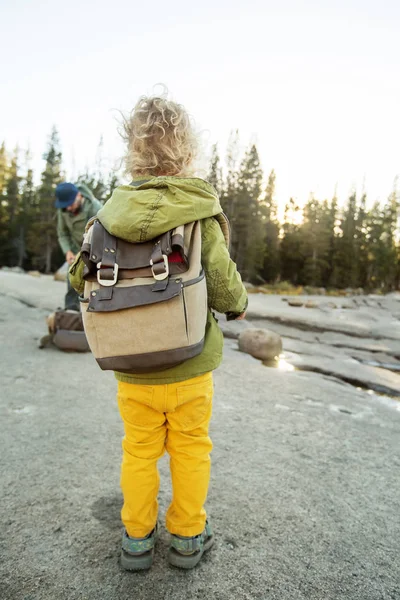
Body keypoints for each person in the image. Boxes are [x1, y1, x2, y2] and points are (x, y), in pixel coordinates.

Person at [69, 93, 247, 570]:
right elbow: (223, 280)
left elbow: (77, 279)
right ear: (187, 151)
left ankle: (137, 539)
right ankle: (188, 537)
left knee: (139, 452)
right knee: (190, 449)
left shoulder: (107, 215)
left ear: (133, 151)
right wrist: (239, 306)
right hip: (189, 363)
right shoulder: (197, 211)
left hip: (132, 370)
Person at [55, 182, 102, 311]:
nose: (68, 208)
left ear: (79, 196)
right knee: (72, 276)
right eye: (65, 206)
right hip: (76, 250)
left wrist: (83, 252)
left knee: (94, 281)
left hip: (96, 249)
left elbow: (101, 234)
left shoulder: (94, 207)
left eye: (71, 204)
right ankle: (71, 311)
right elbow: (62, 233)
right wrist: (68, 251)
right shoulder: (63, 210)